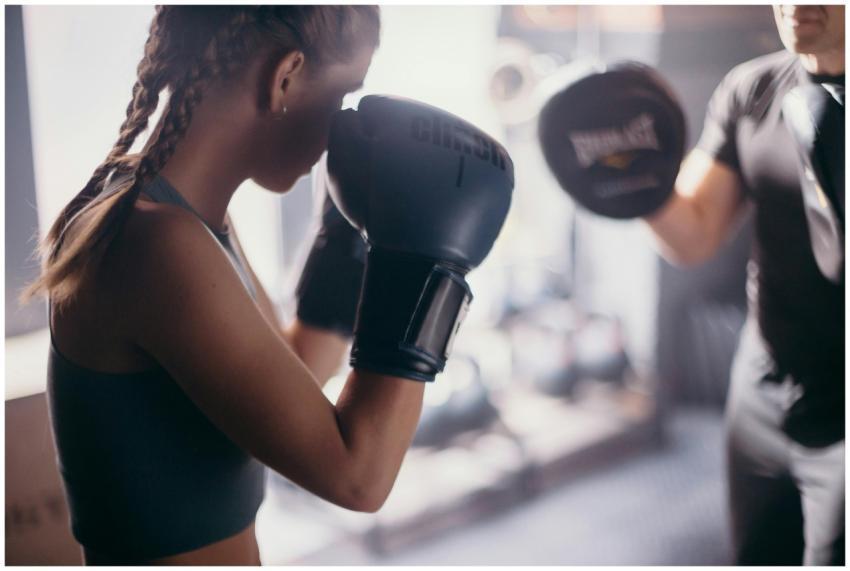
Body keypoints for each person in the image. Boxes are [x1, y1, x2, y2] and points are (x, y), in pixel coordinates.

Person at [24, 6, 513, 565]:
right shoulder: (158, 244)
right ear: (285, 75)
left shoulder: (175, 213)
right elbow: (359, 477)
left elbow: (294, 373)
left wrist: (352, 238)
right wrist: (426, 261)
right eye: (342, 94)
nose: (340, 129)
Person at [538, 4, 844, 565]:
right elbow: (695, 234)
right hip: (763, 391)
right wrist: (634, 179)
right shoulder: (752, 89)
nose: (798, 6)